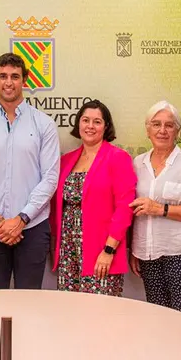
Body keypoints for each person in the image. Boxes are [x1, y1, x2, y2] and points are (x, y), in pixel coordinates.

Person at [0, 53, 60, 290]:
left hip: (32, 228)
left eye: (15, 77)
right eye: (3, 76)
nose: (9, 82)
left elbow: (50, 177)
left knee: (29, 303)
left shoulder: (44, 124)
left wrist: (21, 219)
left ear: (25, 80)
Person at [128, 101, 181, 314]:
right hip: (148, 255)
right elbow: (134, 211)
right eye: (156, 124)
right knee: (158, 318)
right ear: (148, 130)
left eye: (169, 125)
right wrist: (135, 249)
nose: (162, 130)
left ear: (177, 131)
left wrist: (161, 209)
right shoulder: (137, 164)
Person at [50, 100, 136, 297]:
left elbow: (124, 208)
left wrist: (108, 250)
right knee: (70, 311)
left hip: (101, 252)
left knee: (100, 317)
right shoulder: (66, 160)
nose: (90, 126)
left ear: (106, 127)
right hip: (68, 251)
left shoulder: (117, 157)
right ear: (78, 123)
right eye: (85, 120)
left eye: (97, 122)